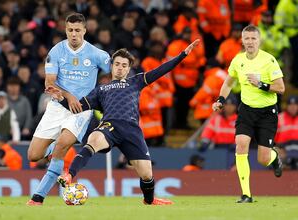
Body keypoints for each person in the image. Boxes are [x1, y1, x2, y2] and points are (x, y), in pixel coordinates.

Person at [55, 40, 200, 205]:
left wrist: (182, 55)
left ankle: (149, 200)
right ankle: (69, 174)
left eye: (124, 65)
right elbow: (77, 107)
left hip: (131, 130)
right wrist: (60, 98)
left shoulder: (135, 82)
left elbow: (161, 70)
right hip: (109, 126)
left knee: (146, 174)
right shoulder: (101, 90)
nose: (120, 67)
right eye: (117, 64)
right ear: (111, 66)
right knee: (94, 139)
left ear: (128, 69)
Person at [26, 13, 111, 205]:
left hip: (81, 110)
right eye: (70, 30)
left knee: (63, 144)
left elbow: (116, 72)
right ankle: (54, 154)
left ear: (84, 31)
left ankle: (38, 197)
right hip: (58, 107)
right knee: (33, 156)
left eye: (77, 30)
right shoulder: (56, 52)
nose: (74, 34)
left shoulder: (97, 54)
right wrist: (68, 95)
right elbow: (49, 82)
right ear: (65, 30)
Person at [212, 25, 285, 203]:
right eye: (247, 39)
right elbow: (228, 83)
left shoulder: (269, 60)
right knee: (241, 144)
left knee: (263, 159)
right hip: (246, 110)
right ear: (242, 41)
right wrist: (221, 100)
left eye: (253, 38)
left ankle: (274, 158)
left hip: (267, 112)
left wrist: (261, 84)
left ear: (259, 40)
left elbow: (281, 88)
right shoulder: (238, 60)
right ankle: (246, 194)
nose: (250, 42)